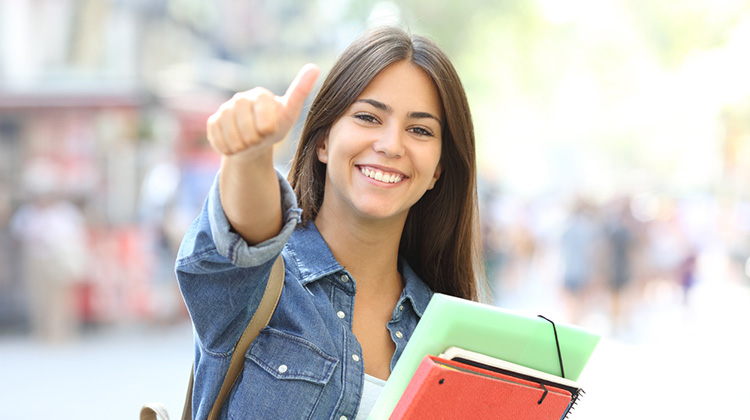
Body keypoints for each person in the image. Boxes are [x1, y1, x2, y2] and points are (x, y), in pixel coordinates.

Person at [176, 25, 484, 419]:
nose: (391, 145)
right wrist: (250, 155)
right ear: (323, 141)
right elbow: (246, 235)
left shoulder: (450, 336)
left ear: (438, 169)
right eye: (369, 117)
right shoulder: (259, 285)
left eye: (420, 130)